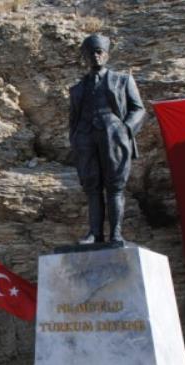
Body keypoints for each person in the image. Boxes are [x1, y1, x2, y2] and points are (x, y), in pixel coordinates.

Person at [69, 34, 146, 246]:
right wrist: (75, 140)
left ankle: (116, 234)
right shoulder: (77, 89)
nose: (95, 56)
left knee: (115, 187)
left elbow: (138, 109)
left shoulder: (123, 80)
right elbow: (73, 120)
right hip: (85, 138)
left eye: (99, 52)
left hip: (114, 135)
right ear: (84, 57)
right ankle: (95, 233)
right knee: (92, 187)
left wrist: (125, 128)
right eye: (90, 53)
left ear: (106, 54)